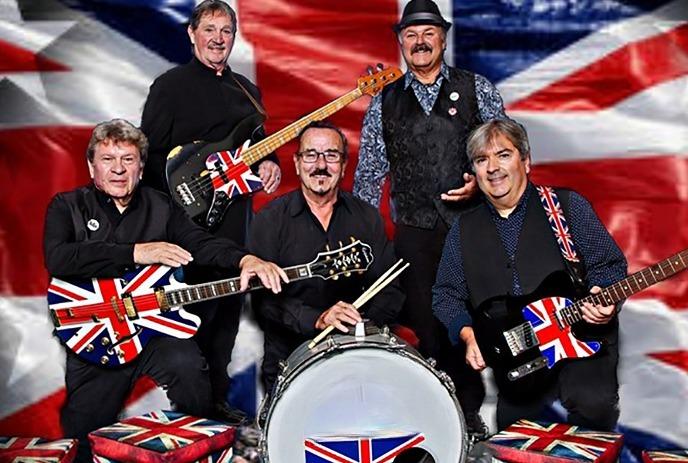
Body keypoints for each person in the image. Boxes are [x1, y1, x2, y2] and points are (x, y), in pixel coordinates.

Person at [43, 119, 287, 462]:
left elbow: (200, 243)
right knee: (82, 434)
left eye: (128, 160)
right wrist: (135, 252)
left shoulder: (161, 206)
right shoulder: (66, 206)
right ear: (91, 165)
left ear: (141, 168)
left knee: (192, 375)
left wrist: (245, 259)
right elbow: (58, 258)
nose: (117, 169)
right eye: (108, 159)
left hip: (155, 331)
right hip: (95, 333)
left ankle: (199, 454)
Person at [352, 0, 507, 432]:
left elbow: (507, 153)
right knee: (424, 322)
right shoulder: (384, 101)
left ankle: (469, 412)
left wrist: (481, 182)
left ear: (443, 37)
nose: (420, 42)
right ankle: (435, 411)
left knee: (470, 319)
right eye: (411, 35)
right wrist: (360, 236)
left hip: (471, 227)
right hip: (413, 232)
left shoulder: (479, 89)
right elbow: (368, 173)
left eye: (428, 33)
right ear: (401, 42)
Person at [432, 118, 627, 431]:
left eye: (503, 155)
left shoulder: (565, 206)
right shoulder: (463, 229)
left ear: (526, 161)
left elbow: (609, 266)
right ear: (475, 172)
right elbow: (446, 294)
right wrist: (466, 335)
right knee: (514, 435)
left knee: (592, 408)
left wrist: (602, 299)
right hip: (518, 361)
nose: (493, 168)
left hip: (580, 343)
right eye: (482, 160)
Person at [140, 0, 281, 421]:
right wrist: (167, 220)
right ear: (192, 34)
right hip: (187, 224)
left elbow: (254, 149)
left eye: (226, 31)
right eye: (210, 29)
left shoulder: (247, 91)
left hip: (236, 222)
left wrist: (267, 163)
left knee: (226, 318)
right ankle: (190, 410)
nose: (218, 39)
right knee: (194, 316)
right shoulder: (169, 87)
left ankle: (216, 403)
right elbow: (150, 160)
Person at [248, 120, 404, 392]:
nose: (320, 165)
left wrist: (360, 326)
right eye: (311, 155)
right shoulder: (270, 220)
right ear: (297, 164)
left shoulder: (366, 217)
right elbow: (264, 302)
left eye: (331, 155)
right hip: (291, 362)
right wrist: (317, 318)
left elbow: (390, 288)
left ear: (343, 165)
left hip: (356, 355)